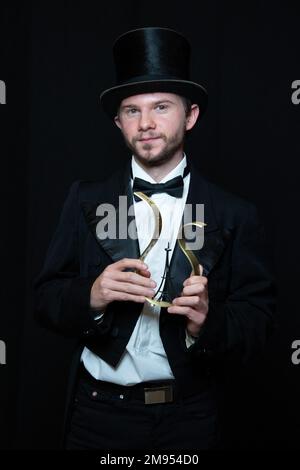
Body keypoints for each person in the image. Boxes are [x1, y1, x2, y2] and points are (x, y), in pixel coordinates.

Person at [34, 27, 276, 451]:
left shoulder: (233, 213)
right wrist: (89, 295)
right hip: (97, 414)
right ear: (117, 121)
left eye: (161, 107)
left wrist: (207, 323)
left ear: (191, 116)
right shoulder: (86, 198)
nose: (146, 124)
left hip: (191, 415)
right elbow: (45, 299)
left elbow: (259, 322)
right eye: (132, 111)